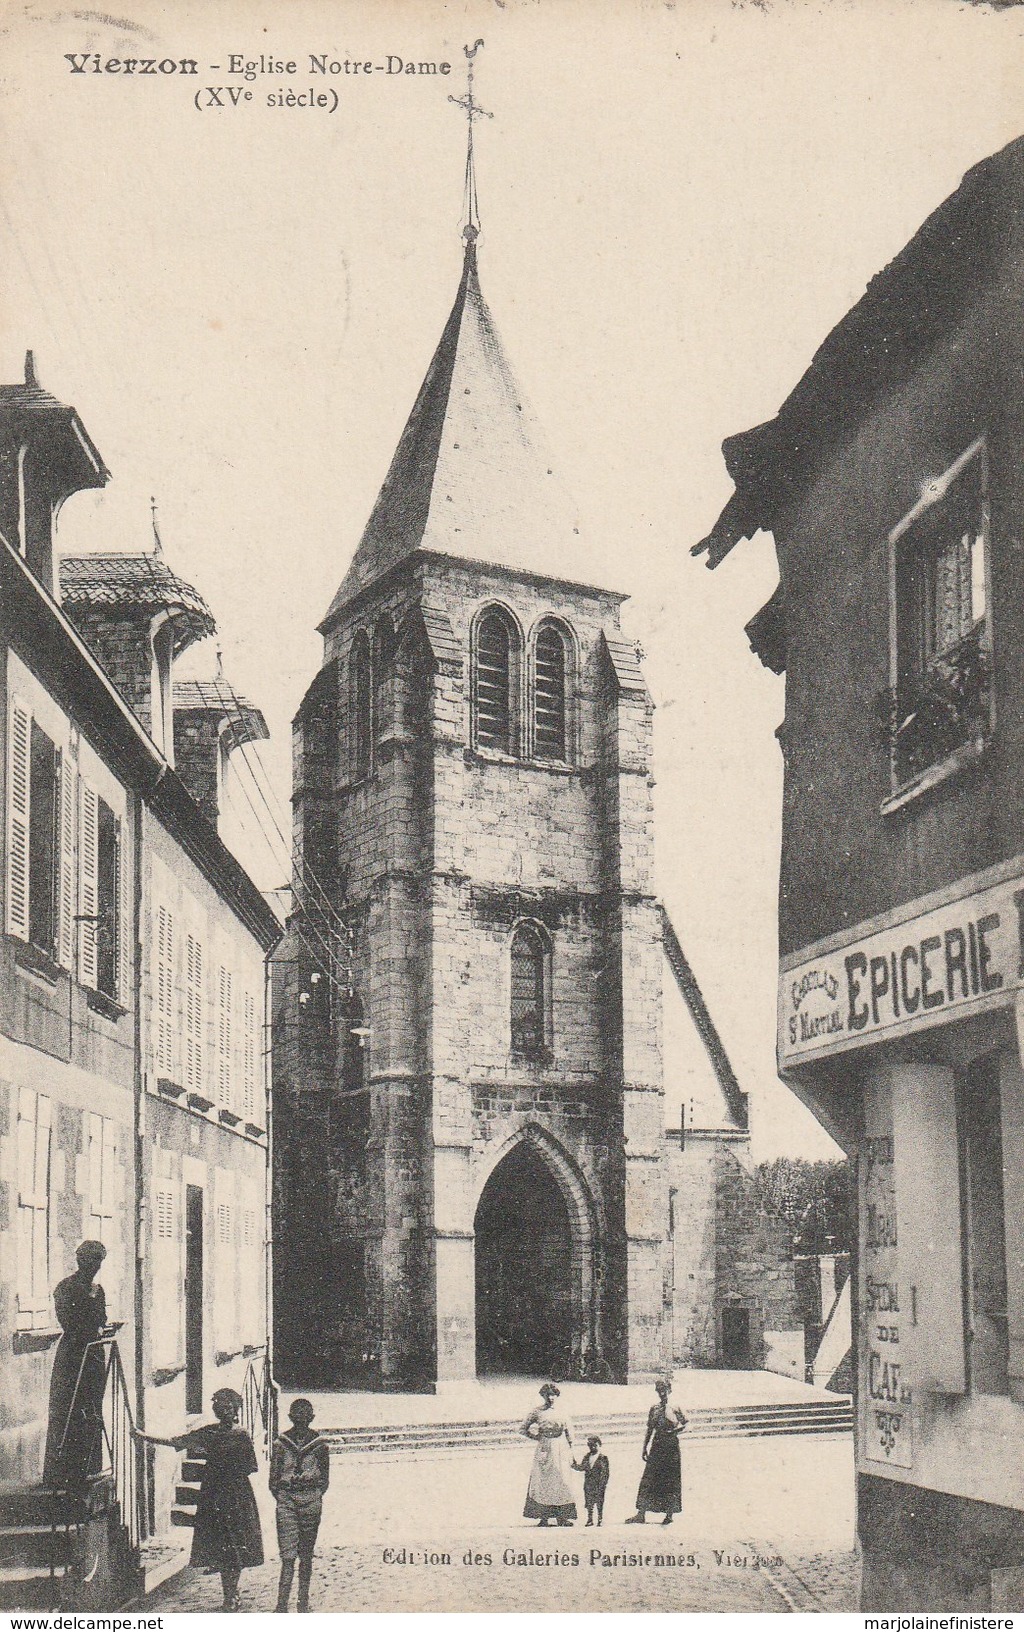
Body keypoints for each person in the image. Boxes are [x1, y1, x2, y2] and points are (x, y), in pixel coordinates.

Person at [136, 1387, 263, 1612]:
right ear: (216, 1410)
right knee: (221, 1543)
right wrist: (144, 1437)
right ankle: (229, 1594)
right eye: (220, 1407)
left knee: (234, 1544)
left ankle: (231, 1594)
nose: (224, 1411)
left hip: (236, 1495)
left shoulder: (242, 1435)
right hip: (213, 1494)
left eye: (228, 1407)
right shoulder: (208, 1433)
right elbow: (177, 1441)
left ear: (235, 1409)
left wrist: (226, 1467)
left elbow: (251, 1466)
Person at [43, 1241, 116, 1490]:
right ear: (80, 1260)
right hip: (73, 1356)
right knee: (69, 1406)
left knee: (92, 1407)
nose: (94, 1266)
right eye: (90, 1260)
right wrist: (92, 1324)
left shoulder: (99, 1289)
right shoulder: (66, 1287)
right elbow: (68, 1322)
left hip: (94, 1356)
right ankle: (62, 1471)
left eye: (98, 1261)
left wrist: (103, 1327)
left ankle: (89, 1466)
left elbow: (101, 1319)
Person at [270, 1398, 330, 1613]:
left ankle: (302, 1603)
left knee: (306, 1554)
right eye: (297, 1415)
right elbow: (273, 1481)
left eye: (305, 1415)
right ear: (290, 1417)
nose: (301, 1419)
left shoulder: (320, 1445)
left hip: (311, 1502)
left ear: (312, 1418)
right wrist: (286, 1497)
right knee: (287, 1556)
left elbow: (325, 1480)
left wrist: (312, 1493)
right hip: (287, 1502)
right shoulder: (280, 1443)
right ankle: (281, 1605)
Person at [625, 1377, 686, 1525]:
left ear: (669, 1390)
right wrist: (644, 1447)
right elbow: (650, 1429)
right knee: (649, 1478)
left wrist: (675, 1430)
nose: (662, 1394)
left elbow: (686, 1423)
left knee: (670, 1479)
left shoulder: (676, 1407)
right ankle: (641, 1513)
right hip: (657, 1444)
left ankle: (669, 1514)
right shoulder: (654, 1408)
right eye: (659, 1391)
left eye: (664, 1390)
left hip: (671, 1445)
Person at [520, 1382, 576, 1527]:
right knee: (542, 1482)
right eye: (547, 1395)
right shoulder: (537, 1412)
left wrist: (571, 1448)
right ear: (543, 1396)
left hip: (561, 1447)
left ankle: (562, 1517)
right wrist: (536, 1437)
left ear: (557, 1396)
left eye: (553, 1395)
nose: (550, 1398)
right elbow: (522, 1429)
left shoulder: (562, 1411)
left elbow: (570, 1432)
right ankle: (543, 1517)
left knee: (562, 1480)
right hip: (545, 1448)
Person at [572, 1435, 610, 1527]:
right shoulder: (587, 1456)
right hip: (589, 1483)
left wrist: (603, 1483)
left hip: (599, 1483)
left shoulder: (603, 1457)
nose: (592, 1447)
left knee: (600, 1502)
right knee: (589, 1502)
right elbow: (582, 1467)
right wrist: (573, 1464)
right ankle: (590, 1519)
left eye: (594, 1445)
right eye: (590, 1445)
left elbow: (606, 1472)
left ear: (599, 1445)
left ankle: (600, 1519)